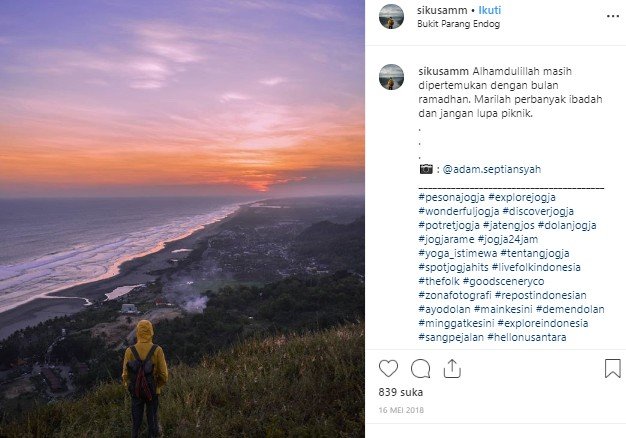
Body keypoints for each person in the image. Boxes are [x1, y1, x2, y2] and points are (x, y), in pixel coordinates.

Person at [122, 320, 168, 438]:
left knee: (136, 424)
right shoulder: (157, 350)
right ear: (151, 332)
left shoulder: (129, 351)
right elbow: (164, 375)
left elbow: (125, 375)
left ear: (138, 332)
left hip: (136, 392)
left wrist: (131, 387)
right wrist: (156, 386)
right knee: (152, 422)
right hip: (153, 392)